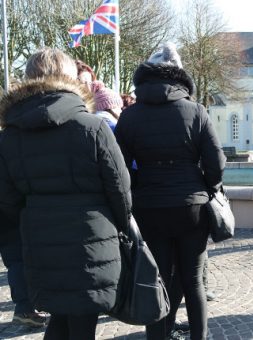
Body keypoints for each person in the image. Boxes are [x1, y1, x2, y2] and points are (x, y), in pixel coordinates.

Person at [0, 48, 131, 340]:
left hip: (39, 240)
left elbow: (7, 199)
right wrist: (119, 228)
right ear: (70, 79)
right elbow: (121, 191)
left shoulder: (9, 135)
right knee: (81, 324)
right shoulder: (94, 126)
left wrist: (34, 216)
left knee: (60, 317)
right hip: (91, 239)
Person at [115, 42, 225, 340]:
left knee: (157, 279)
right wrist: (206, 186)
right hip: (192, 204)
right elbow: (216, 162)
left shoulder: (130, 116)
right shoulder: (196, 111)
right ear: (180, 76)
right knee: (193, 282)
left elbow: (120, 169)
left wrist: (139, 188)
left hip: (150, 206)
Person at [0, 227, 47, 327]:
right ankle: (25, 311)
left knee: (16, 262)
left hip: (7, 228)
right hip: (13, 227)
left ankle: (24, 309)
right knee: (19, 263)